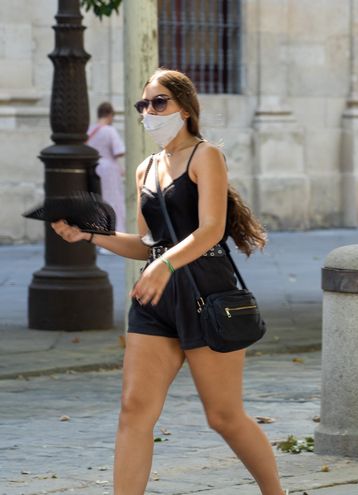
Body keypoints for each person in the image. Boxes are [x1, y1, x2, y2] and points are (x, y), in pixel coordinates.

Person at [51, 69, 284, 495]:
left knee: (223, 416)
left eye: (160, 103)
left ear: (186, 108)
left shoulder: (205, 156)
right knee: (133, 409)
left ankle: (276, 493)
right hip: (155, 299)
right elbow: (146, 245)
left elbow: (211, 229)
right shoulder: (145, 169)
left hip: (204, 289)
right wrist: (88, 233)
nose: (150, 112)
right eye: (144, 105)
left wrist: (164, 265)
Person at [87, 102, 126, 236]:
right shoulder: (109, 130)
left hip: (94, 168)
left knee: (98, 203)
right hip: (109, 170)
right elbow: (119, 151)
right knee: (112, 202)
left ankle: (98, 234)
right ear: (110, 115)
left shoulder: (90, 130)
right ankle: (113, 235)